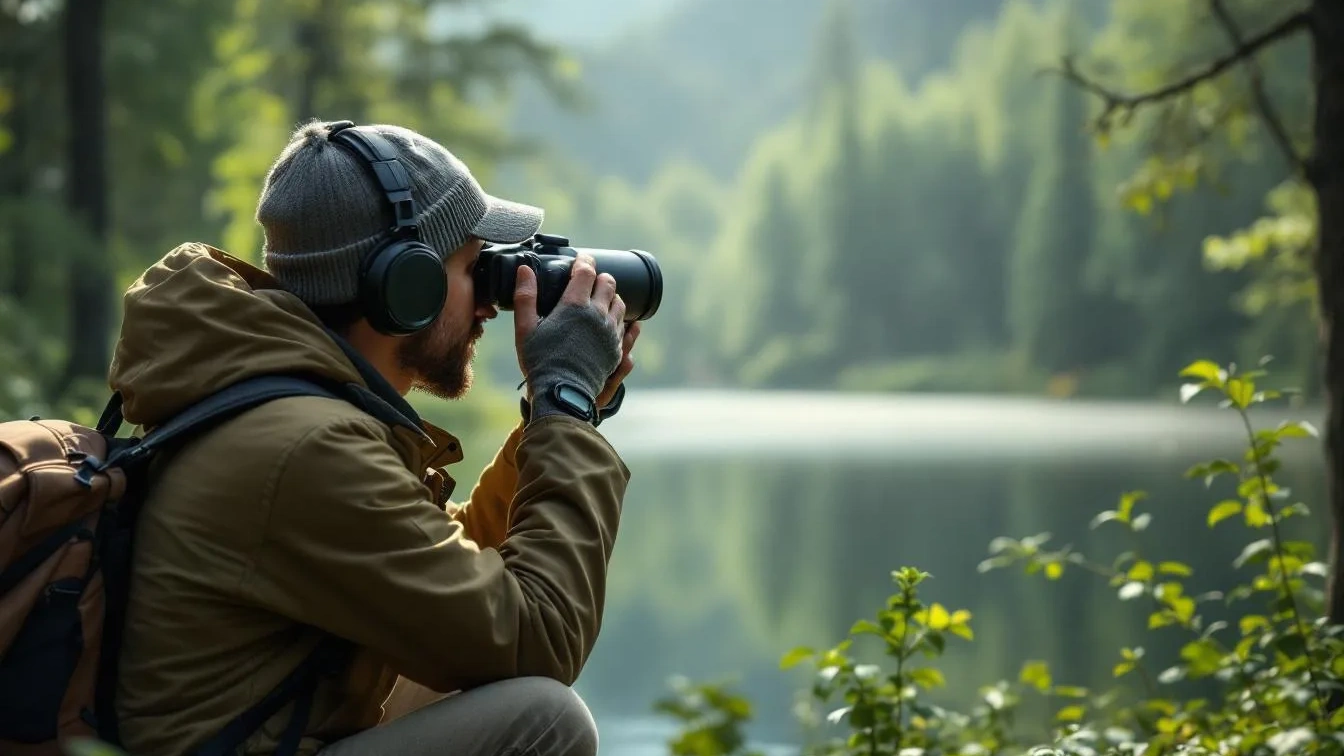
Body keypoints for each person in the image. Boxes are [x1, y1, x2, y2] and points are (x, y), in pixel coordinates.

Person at [107, 119, 640, 756]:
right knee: (544, 719)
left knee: (475, 671)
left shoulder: (289, 406)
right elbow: (541, 636)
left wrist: (551, 421)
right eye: (475, 268)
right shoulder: (306, 447)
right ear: (405, 285)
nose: (489, 306)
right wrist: (563, 404)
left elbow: (450, 572)